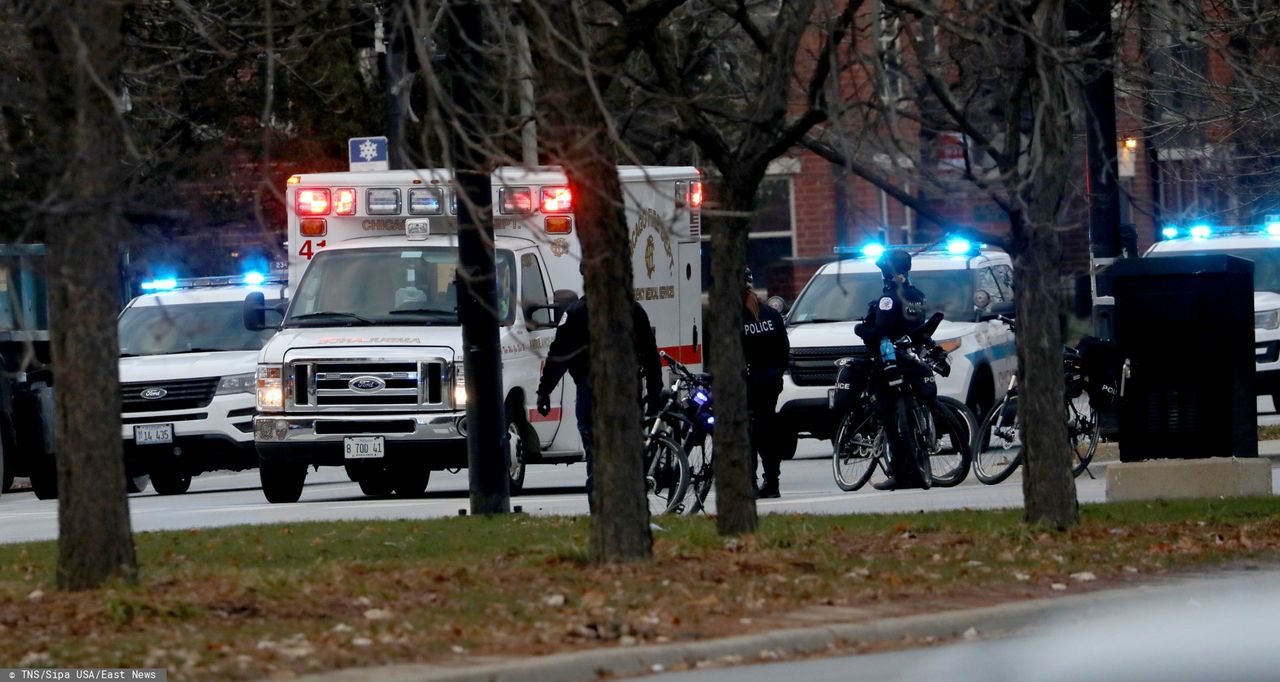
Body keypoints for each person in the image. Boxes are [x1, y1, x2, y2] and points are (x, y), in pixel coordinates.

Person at [534, 280, 663, 513]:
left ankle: (601, 516)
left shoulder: (576, 313)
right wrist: (654, 396)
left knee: (596, 462)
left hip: (590, 397)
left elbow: (558, 356)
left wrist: (544, 391)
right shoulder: (633, 310)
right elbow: (651, 358)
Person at [853, 249, 937, 490]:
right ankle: (915, 466)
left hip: (891, 362)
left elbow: (881, 331)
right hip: (912, 359)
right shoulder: (917, 295)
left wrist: (860, 330)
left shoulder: (888, 298)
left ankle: (901, 472)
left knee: (888, 415)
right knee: (909, 414)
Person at [742, 268, 790, 499]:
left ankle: (749, 483)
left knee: (748, 433)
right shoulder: (771, 314)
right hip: (770, 382)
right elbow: (784, 350)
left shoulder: (733, 316)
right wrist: (777, 373)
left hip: (748, 383)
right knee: (766, 432)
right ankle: (772, 482)